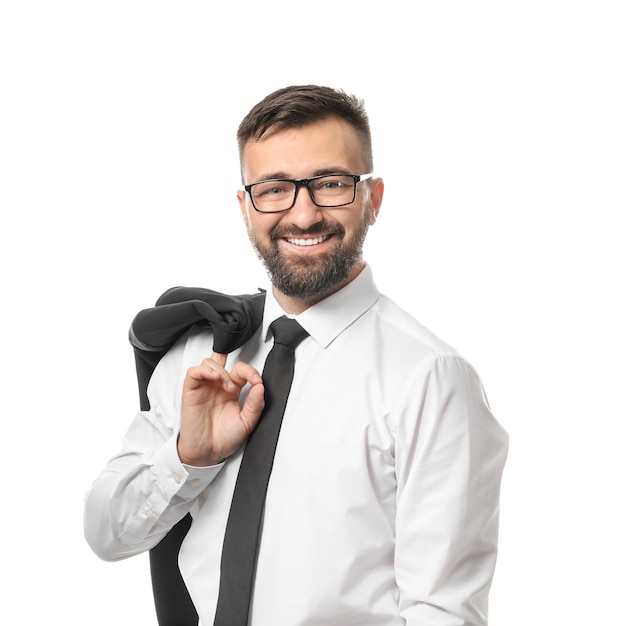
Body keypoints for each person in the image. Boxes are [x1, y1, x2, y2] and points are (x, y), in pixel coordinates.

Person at [84, 84, 509, 625]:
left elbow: (443, 613)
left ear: (372, 199)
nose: (303, 215)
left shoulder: (430, 380)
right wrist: (189, 457)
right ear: (245, 206)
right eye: (274, 188)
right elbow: (105, 534)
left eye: (331, 184)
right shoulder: (201, 352)